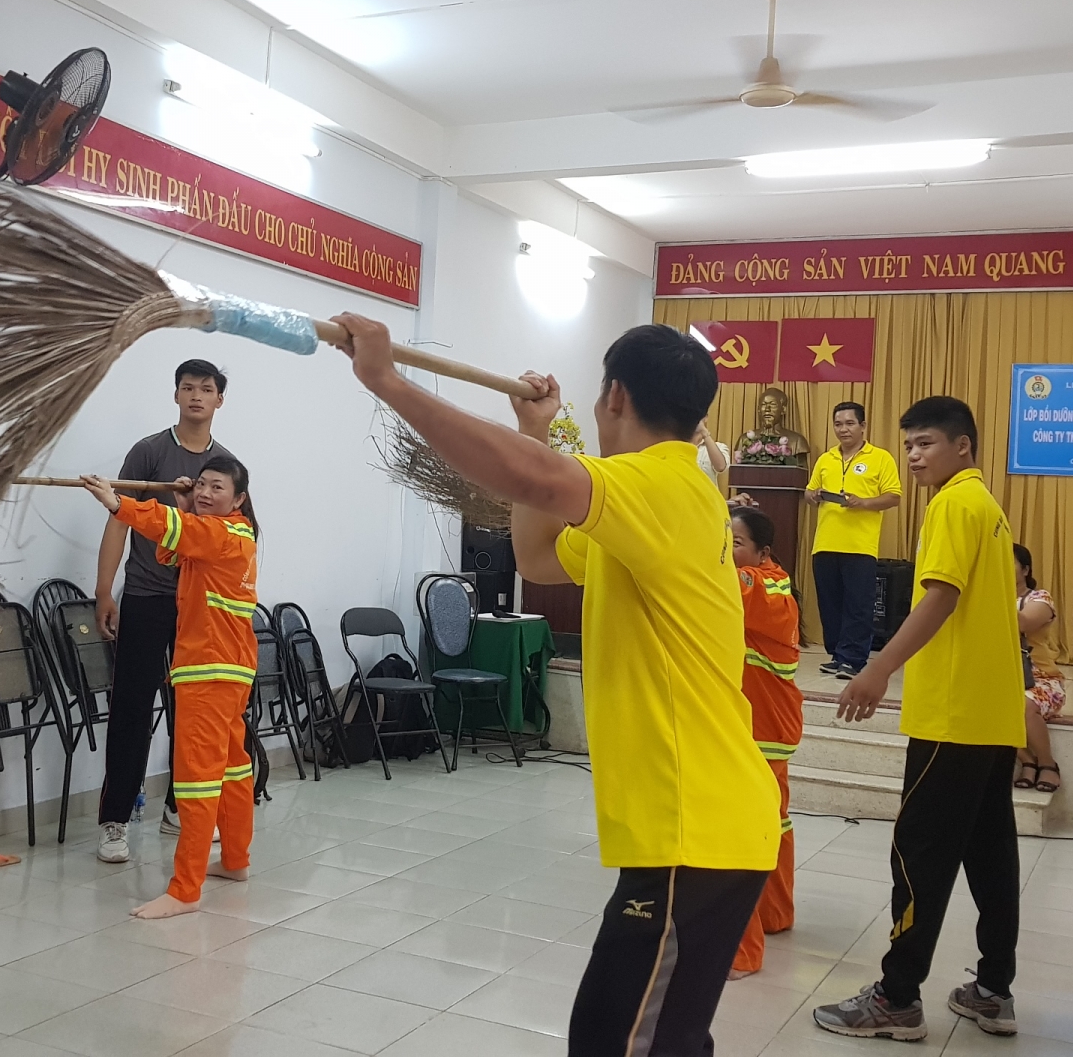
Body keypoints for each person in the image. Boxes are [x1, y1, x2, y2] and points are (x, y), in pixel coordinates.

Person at [335, 314, 780, 1056]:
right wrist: (536, 431)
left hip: (697, 827)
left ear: (614, 397)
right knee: (644, 1036)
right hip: (699, 827)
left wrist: (387, 381)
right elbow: (539, 556)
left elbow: (531, 480)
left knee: (620, 1042)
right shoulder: (651, 507)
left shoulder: (658, 484)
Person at [815, 396, 1023, 1043]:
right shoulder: (984, 504)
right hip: (989, 714)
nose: (913, 456)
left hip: (953, 715)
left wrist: (879, 668)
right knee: (991, 857)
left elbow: (941, 596)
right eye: (908, 445)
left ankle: (897, 998)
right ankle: (993, 988)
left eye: (926, 443)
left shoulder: (953, 505)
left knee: (919, 856)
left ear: (963, 445)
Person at [80, 455, 260, 918]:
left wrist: (117, 503)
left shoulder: (223, 534)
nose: (204, 492)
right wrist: (185, 506)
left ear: (239, 499)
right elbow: (172, 551)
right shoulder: (228, 535)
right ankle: (236, 860)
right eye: (200, 484)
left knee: (197, 778)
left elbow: (169, 529)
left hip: (210, 670)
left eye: (216, 487)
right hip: (228, 669)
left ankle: (185, 890)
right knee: (232, 767)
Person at [91, 360, 236, 864]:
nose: (197, 396)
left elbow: (235, 537)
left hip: (199, 607)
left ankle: (180, 806)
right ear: (176, 395)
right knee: (132, 708)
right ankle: (114, 821)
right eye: (188, 388)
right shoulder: (149, 451)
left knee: (192, 713)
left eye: (207, 389)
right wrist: (105, 590)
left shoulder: (226, 468)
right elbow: (118, 521)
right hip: (148, 598)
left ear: (220, 400)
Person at [727, 506, 802, 981]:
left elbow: (723, 583)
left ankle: (740, 951)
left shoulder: (770, 585)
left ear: (763, 552)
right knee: (774, 823)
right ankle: (775, 915)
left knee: (739, 832)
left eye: (734, 541)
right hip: (759, 724)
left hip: (762, 728)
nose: (725, 550)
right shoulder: (758, 579)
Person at [804, 402, 902, 680]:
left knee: (857, 605)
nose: (843, 429)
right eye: (838, 424)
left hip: (860, 546)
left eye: (849, 423)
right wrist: (814, 495)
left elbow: (894, 496)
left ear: (862, 426)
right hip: (824, 543)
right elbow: (809, 494)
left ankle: (853, 659)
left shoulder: (880, 458)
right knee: (830, 604)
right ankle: (837, 655)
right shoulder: (826, 459)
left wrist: (864, 502)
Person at [1014, 544, 1064, 794]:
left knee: (1022, 704)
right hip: (999, 679)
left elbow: (1022, 622)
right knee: (976, 708)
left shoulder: (1039, 598)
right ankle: (1027, 760)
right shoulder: (985, 597)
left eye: (1009, 563)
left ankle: (1047, 764)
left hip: (1040, 680)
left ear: (1025, 569)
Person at [694, 420, 731, 490]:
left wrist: (704, 433)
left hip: (706, 498)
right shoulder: (676, 444)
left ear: (705, 418)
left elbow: (721, 467)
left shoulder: (718, 447)